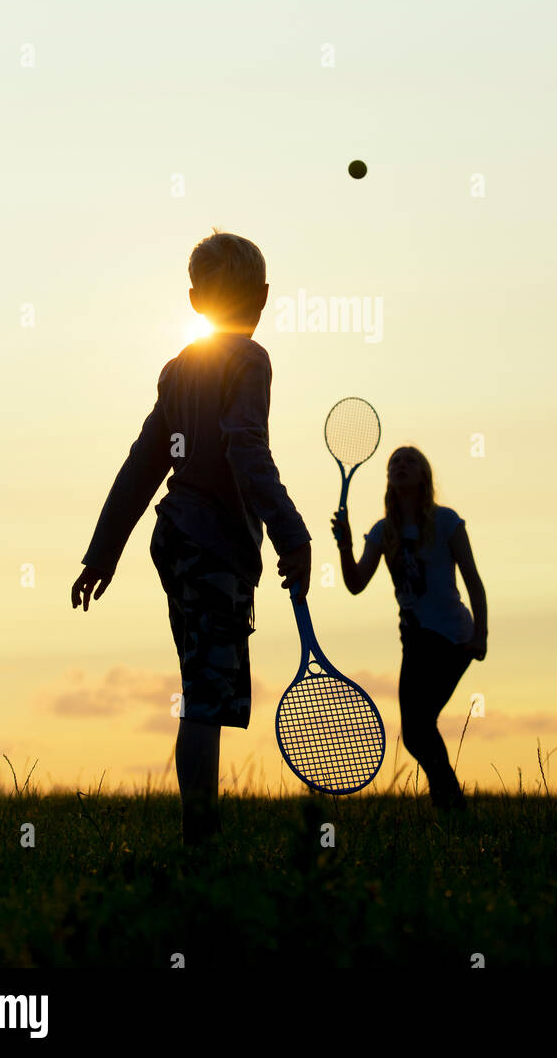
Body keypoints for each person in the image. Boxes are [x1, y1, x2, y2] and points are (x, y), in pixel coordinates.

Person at [71, 229, 311, 846]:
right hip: (212, 546)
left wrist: (102, 554)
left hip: (174, 540)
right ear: (263, 297)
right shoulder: (249, 361)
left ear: (193, 299)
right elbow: (245, 450)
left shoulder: (179, 370)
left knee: (199, 690)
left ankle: (198, 838)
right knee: (205, 697)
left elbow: (141, 466)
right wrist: (292, 534)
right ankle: (199, 844)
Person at [331, 446, 487, 811]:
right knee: (417, 731)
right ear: (389, 479)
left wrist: (481, 634)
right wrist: (347, 545)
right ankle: (450, 804)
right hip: (415, 640)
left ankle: (449, 803)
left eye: (409, 461)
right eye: (394, 463)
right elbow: (355, 583)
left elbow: (474, 581)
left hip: (453, 638)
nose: (400, 466)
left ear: (423, 477)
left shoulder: (447, 522)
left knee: (418, 729)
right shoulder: (383, 531)